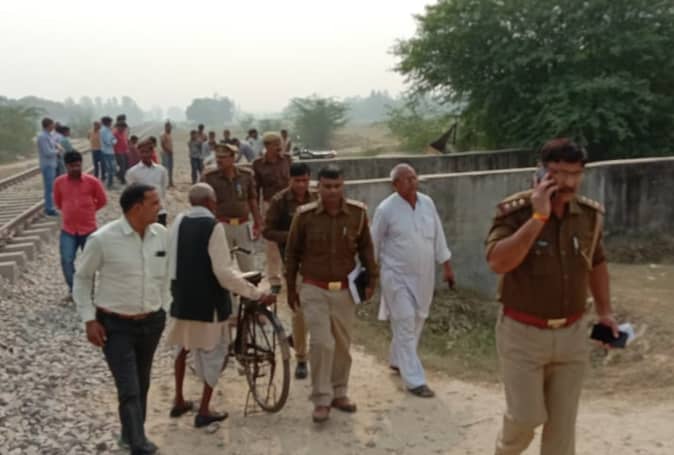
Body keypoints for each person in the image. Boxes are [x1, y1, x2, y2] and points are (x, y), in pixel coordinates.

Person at [485, 138, 618, 455]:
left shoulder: (589, 215)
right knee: (526, 418)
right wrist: (538, 218)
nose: (568, 182)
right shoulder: (515, 212)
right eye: (559, 173)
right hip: (522, 335)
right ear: (542, 173)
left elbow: (596, 262)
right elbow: (498, 262)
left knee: (562, 430)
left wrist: (605, 312)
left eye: (575, 173)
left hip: (572, 335)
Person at [166, 183, 276, 428]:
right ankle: (205, 409)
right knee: (214, 352)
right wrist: (255, 293)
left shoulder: (179, 222)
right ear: (211, 203)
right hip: (208, 303)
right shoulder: (212, 226)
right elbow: (223, 272)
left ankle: (179, 399)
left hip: (182, 297)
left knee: (183, 347)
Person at [73, 183, 169, 455]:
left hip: (151, 322)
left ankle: (130, 435)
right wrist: (89, 319)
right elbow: (82, 279)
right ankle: (138, 444)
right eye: (154, 203)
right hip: (116, 326)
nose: (160, 207)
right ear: (137, 207)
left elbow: (167, 275)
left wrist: (165, 308)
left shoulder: (161, 235)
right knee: (128, 387)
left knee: (142, 381)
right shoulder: (102, 239)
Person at [285, 165, 378, 423]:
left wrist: (372, 279)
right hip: (313, 287)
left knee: (342, 345)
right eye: (327, 186)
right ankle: (321, 398)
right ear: (319, 187)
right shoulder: (304, 216)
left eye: (337, 186)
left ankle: (339, 392)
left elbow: (367, 249)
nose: (332, 191)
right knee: (321, 343)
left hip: (344, 290)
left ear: (343, 185)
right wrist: (291, 287)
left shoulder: (358, 214)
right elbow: (292, 253)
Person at [371, 164, 455, 398]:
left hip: (424, 275)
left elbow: (438, 237)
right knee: (405, 319)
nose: (412, 182)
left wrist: (447, 266)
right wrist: (371, 275)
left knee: (417, 318)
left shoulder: (427, 203)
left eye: (414, 178)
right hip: (395, 276)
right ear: (395, 184)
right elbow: (373, 243)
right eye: (406, 179)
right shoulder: (385, 210)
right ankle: (415, 380)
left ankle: (398, 360)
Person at [263, 162, 317, 380]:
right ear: (290, 180)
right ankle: (301, 358)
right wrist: (292, 237)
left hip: (318, 261)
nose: (302, 185)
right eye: (297, 181)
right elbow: (267, 231)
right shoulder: (280, 201)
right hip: (294, 262)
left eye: (305, 180)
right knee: (300, 310)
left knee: (319, 309)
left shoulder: (317, 198)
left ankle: (297, 338)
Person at [201, 143, 262, 273]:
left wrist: (257, 222)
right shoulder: (209, 177)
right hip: (221, 225)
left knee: (248, 266)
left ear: (233, 158)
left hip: (243, 225)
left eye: (223, 157)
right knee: (223, 266)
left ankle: (248, 287)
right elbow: (203, 203)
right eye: (217, 157)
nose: (219, 160)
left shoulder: (246, 175)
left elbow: (252, 199)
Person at [54, 151, 107, 298]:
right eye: (72, 166)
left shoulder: (92, 182)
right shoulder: (59, 183)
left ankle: (88, 290)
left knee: (89, 262)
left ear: (81, 164)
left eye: (77, 165)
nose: (75, 169)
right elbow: (58, 203)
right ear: (66, 166)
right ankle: (74, 289)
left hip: (88, 229)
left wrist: (89, 211)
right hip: (68, 229)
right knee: (66, 260)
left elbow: (102, 200)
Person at [253, 132, 292, 293]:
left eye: (279, 144)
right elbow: (255, 190)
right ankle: (274, 280)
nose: (279, 147)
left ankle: (291, 275)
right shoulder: (258, 164)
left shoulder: (287, 160)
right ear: (267, 146)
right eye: (275, 144)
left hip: (288, 204)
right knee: (272, 243)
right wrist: (258, 215)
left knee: (292, 237)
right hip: (270, 205)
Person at [126, 139, 169, 226]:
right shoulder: (132, 172)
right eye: (142, 152)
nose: (145, 155)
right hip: (143, 213)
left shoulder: (161, 170)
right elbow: (132, 193)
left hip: (160, 211)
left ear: (152, 152)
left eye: (147, 152)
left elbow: (163, 188)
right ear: (138, 153)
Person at [37, 117, 59, 216]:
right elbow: (47, 152)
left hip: (51, 164)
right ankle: (49, 209)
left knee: (51, 187)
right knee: (49, 188)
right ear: (48, 125)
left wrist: (57, 145)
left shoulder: (48, 135)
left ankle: (50, 206)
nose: (53, 126)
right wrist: (57, 151)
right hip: (47, 165)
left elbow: (53, 144)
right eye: (52, 124)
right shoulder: (42, 137)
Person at [100, 116, 117, 189]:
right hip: (107, 152)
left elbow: (113, 138)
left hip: (110, 151)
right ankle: (110, 184)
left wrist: (113, 140)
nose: (111, 123)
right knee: (110, 168)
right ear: (107, 122)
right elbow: (108, 142)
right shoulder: (104, 131)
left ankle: (111, 183)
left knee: (112, 168)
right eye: (110, 122)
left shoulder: (108, 130)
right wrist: (114, 141)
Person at [160, 122, 174, 187]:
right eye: (169, 127)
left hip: (170, 153)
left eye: (170, 127)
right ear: (166, 127)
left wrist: (171, 151)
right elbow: (162, 144)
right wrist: (168, 151)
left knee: (171, 168)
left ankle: (170, 182)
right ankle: (165, 183)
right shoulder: (163, 134)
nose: (170, 128)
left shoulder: (169, 135)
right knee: (165, 169)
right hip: (165, 154)